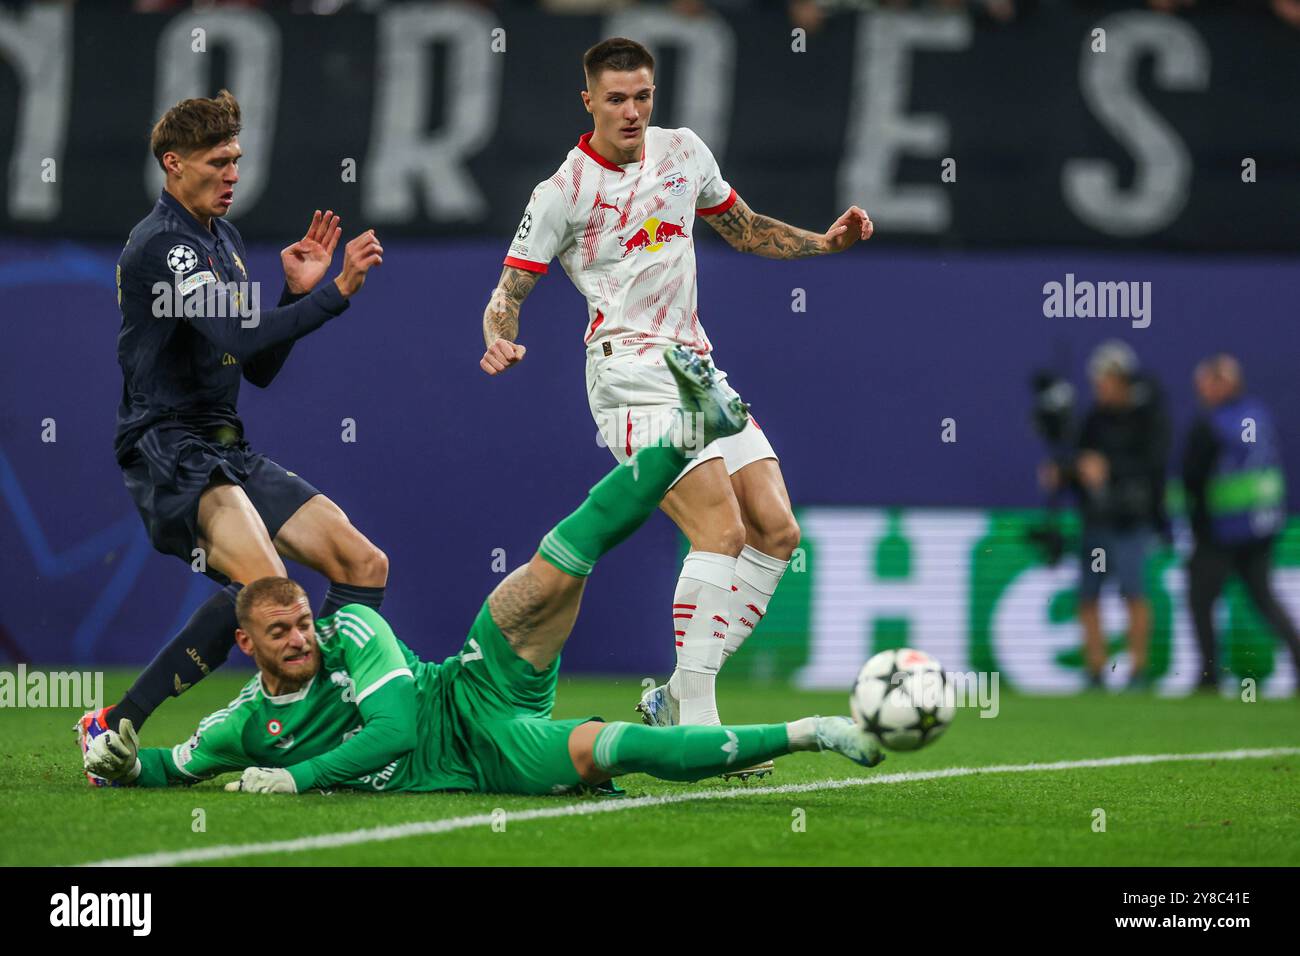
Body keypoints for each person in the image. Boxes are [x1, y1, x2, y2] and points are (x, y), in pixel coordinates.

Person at [83, 350, 886, 795]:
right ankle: (813, 732)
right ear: (249, 649)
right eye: (285, 631)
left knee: (555, 564)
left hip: (470, 686)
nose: (304, 635)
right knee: (620, 749)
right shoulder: (239, 729)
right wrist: (122, 764)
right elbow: (174, 766)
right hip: (492, 750)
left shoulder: (352, 630)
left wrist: (299, 783)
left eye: (303, 619)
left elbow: (396, 729)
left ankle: (682, 435)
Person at [478, 38, 873, 777]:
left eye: (644, 96)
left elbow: (746, 228)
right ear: (588, 100)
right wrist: (499, 338)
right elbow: (507, 294)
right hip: (629, 374)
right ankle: (701, 726)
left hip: (696, 366)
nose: (633, 111)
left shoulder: (684, 152)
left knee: (777, 532)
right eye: (618, 98)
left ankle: (676, 695)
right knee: (719, 530)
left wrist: (825, 243)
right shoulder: (561, 191)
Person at [78, 90, 387, 783]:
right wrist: (331, 293)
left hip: (226, 446)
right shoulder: (163, 245)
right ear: (173, 162)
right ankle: (113, 723)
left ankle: (324, 708)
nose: (232, 174)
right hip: (168, 447)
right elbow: (240, 333)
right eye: (218, 162)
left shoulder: (225, 241)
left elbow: (257, 363)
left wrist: (291, 293)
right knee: (271, 592)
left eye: (237, 160)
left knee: (362, 564)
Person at [1040, 340, 1170, 690]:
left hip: (1131, 522)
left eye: (1105, 380)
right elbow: (1078, 462)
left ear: (1122, 379)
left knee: (1133, 592)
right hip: (1095, 521)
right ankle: (1096, 670)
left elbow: (1154, 467)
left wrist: (1108, 469)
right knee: (1088, 595)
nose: (1099, 387)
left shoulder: (1148, 417)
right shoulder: (1093, 420)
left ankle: (1138, 670)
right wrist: (1063, 472)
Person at [1182, 354, 1300, 692]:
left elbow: (1194, 480)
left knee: (1201, 599)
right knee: (1264, 599)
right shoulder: (1258, 416)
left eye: (1206, 382)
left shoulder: (1211, 424)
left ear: (1223, 383)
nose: (1201, 390)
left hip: (1220, 533)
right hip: (1260, 529)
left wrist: (1194, 527)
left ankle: (1209, 677)